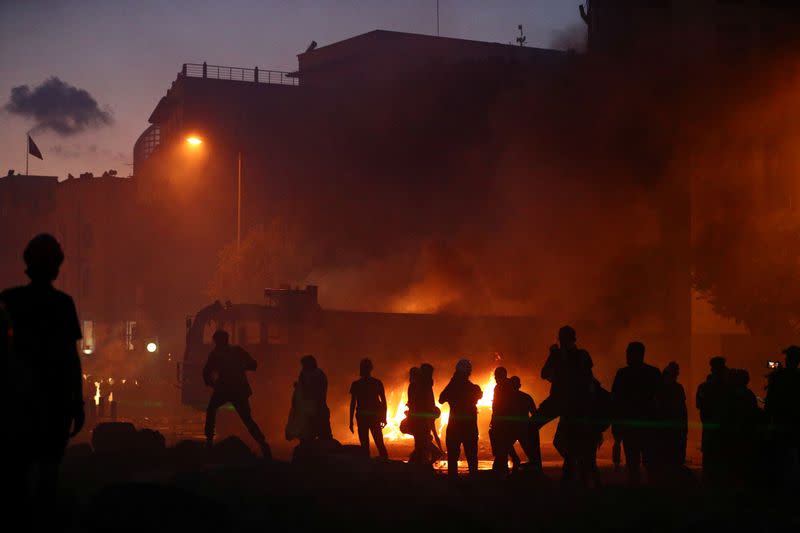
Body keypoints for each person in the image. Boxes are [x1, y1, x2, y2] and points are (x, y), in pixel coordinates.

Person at [0, 234, 85, 514]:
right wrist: (77, 402)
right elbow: (71, 359)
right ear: (56, 267)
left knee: (16, 475)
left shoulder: (10, 301)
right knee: (48, 477)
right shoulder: (63, 305)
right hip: (53, 401)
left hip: (17, 400)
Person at [539, 326, 595, 483]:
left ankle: (573, 469)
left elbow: (545, 373)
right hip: (571, 403)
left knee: (566, 439)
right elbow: (545, 374)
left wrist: (554, 355)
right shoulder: (575, 355)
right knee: (566, 440)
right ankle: (575, 468)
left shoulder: (577, 355)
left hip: (570, 403)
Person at [203, 329, 270, 458]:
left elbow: (206, 373)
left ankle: (209, 442)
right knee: (247, 419)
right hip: (239, 389)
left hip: (223, 389)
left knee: (211, 410)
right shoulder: (237, 351)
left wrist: (213, 384)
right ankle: (262, 443)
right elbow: (253, 364)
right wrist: (241, 368)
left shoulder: (215, 354)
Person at [611, 341, 662, 485]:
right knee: (651, 465)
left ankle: (636, 497)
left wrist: (616, 429)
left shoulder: (623, 374)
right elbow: (661, 401)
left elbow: (616, 402)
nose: (626, 356)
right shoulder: (653, 373)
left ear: (637, 355)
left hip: (631, 428)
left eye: (629, 353)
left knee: (634, 465)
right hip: (649, 427)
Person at [439, 359, 483, 476]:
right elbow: (479, 394)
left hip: (454, 428)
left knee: (453, 459)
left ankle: (452, 486)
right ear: (469, 373)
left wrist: (453, 381)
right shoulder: (474, 389)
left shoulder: (452, 388)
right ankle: (473, 486)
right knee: (472, 458)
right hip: (470, 428)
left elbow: (441, 399)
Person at [765, 346, 800, 484]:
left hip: (781, 420)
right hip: (795, 421)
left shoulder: (778, 377)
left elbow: (771, 400)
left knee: (780, 452)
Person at [696, 356, 732, 484]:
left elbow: (699, 404)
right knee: (722, 458)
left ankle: (708, 482)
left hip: (710, 427)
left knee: (709, 456)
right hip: (724, 427)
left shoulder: (704, 387)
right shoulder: (729, 387)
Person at [652, 362, 688, 481]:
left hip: (666, 431)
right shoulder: (676, 388)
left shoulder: (661, 388)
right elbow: (682, 411)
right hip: (671, 431)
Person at [349, 358, 388, 459]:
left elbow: (353, 403)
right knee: (379, 443)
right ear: (371, 368)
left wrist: (351, 421)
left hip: (362, 416)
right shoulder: (377, 383)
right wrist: (384, 417)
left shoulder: (356, 384)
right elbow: (384, 402)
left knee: (365, 445)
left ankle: (367, 468)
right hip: (374, 416)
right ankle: (386, 466)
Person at [294, 354, 332, 442]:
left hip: (316, 408)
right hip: (314, 408)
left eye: (304, 365)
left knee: (320, 435)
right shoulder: (312, 373)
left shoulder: (316, 374)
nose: (303, 367)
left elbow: (315, 391)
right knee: (320, 435)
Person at [489, 366, 520, 473]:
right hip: (501, 420)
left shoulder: (505, 387)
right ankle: (512, 461)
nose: (495, 378)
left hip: (505, 421)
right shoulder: (500, 387)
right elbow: (495, 405)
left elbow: (499, 405)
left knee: (503, 443)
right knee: (505, 443)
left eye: (497, 376)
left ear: (501, 376)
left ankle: (507, 464)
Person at [509, 376, 542, 471]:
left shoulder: (508, 399)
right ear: (519, 385)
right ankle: (520, 462)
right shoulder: (526, 397)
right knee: (531, 454)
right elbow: (535, 414)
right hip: (524, 428)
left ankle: (516, 460)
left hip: (516, 429)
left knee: (505, 445)